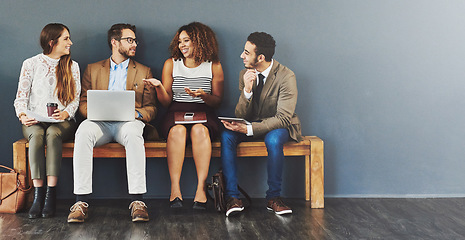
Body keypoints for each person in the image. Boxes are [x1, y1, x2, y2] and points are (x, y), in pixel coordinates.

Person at [67, 23, 157, 223]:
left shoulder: (144, 71)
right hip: (100, 123)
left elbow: (151, 108)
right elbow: (83, 102)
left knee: (134, 134)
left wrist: (136, 114)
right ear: (115, 42)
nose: (134, 44)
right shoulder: (92, 69)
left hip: (129, 123)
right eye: (130, 40)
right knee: (82, 132)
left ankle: (137, 201)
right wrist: (94, 112)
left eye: (135, 40)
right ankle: (80, 202)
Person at [221, 32, 303, 217]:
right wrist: (247, 92)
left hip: (280, 126)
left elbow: (283, 118)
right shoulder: (245, 74)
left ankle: (273, 198)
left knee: (274, 140)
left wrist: (249, 129)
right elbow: (241, 115)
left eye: (246, 53)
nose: (242, 56)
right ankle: (232, 197)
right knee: (227, 136)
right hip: (253, 124)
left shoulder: (286, 76)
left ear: (261, 57)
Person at [144, 22, 224, 210]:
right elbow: (166, 102)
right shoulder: (171, 64)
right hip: (175, 113)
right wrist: (159, 88)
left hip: (205, 113)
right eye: (180, 41)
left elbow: (218, 101)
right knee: (178, 132)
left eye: (186, 40)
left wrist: (203, 95)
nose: (182, 45)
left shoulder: (214, 65)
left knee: (199, 131)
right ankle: (175, 190)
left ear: (200, 41)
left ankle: (201, 190)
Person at [14, 23, 81, 219]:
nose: (71, 42)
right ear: (52, 42)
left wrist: (66, 113)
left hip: (61, 122)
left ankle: (51, 194)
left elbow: (75, 99)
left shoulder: (72, 66)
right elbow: (21, 97)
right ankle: (38, 194)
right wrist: (22, 115)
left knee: (52, 134)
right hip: (34, 120)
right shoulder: (30, 64)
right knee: (36, 135)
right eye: (66, 38)